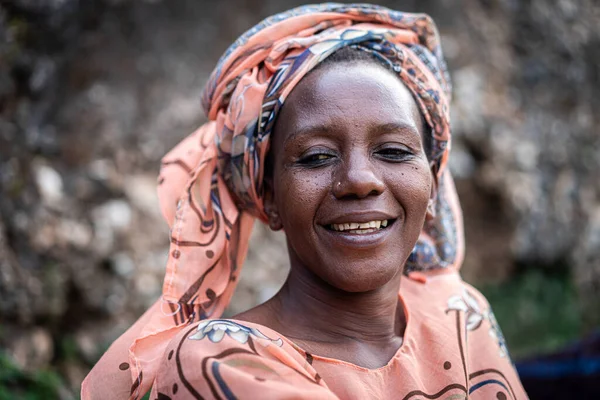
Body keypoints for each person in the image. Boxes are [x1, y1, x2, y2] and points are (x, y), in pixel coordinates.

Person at [82, 4, 528, 399]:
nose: (360, 180)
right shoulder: (219, 360)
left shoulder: (459, 316)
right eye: (316, 157)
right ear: (269, 196)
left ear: (432, 184)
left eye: (393, 151)